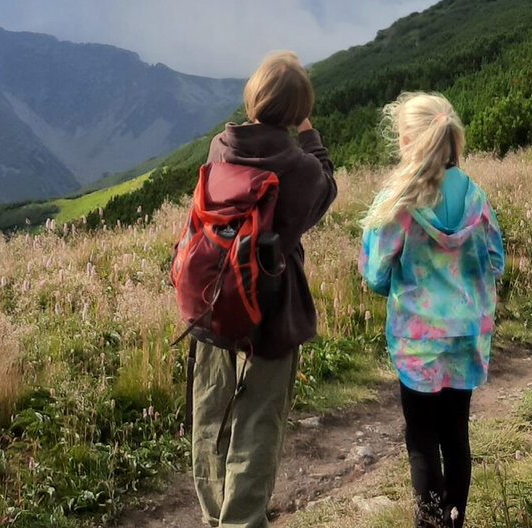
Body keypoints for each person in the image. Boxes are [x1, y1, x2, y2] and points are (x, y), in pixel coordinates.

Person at [190, 50, 336, 528]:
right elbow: (324, 191)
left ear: (253, 97)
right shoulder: (299, 168)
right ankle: (242, 522)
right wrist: (310, 134)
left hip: (212, 304)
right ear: (296, 112)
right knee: (258, 422)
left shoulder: (218, 147)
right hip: (272, 312)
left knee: (211, 413)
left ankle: (214, 515)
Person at [359, 92, 505, 528]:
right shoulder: (475, 196)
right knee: (455, 435)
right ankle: (454, 524)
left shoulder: (398, 201)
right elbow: (495, 261)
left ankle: (430, 526)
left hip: (418, 342)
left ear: (407, 140)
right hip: (468, 336)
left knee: (421, 439)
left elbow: (375, 276)